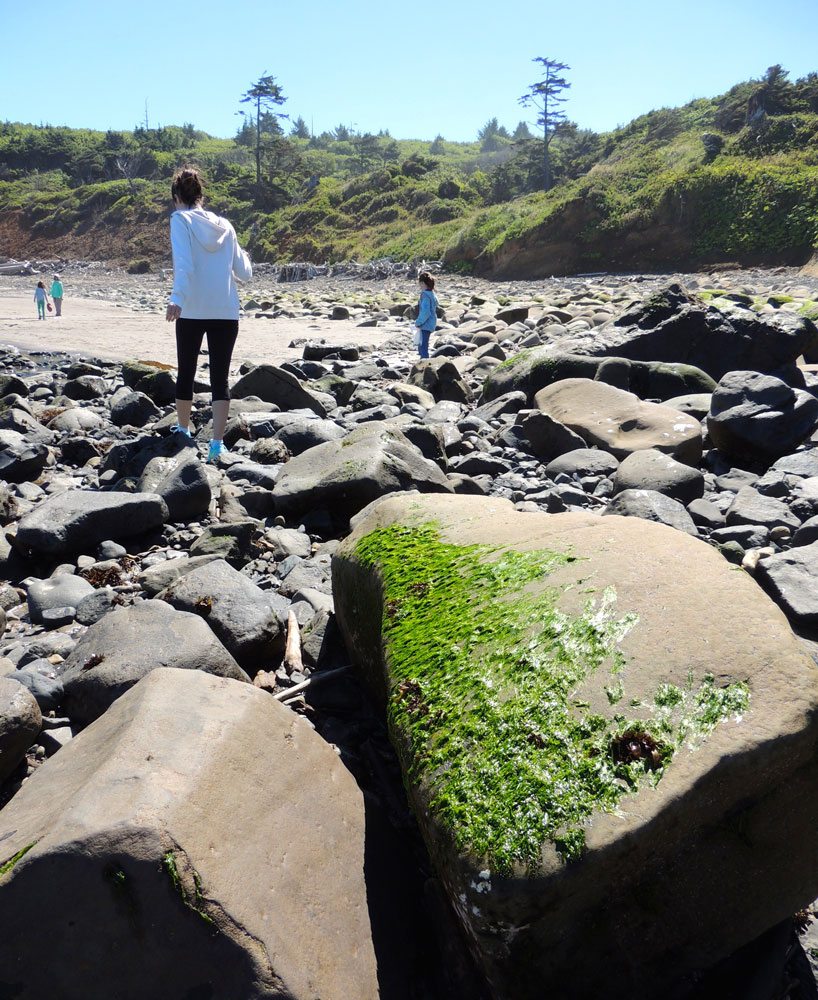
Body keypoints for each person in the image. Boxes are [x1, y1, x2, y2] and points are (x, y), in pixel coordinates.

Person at [165, 166, 252, 463]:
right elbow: (245, 272)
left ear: (177, 197)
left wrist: (176, 298)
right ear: (201, 195)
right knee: (220, 378)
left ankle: (183, 431)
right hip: (226, 310)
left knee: (186, 371)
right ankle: (217, 445)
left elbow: (185, 264)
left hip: (192, 308)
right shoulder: (226, 226)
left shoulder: (180, 220)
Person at [414, 271, 439, 359]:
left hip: (426, 323)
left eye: (420, 284)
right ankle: (424, 361)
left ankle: (424, 363)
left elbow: (426, 312)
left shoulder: (425, 295)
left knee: (422, 345)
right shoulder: (432, 294)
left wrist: (418, 322)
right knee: (423, 344)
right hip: (431, 322)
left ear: (423, 283)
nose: (420, 286)